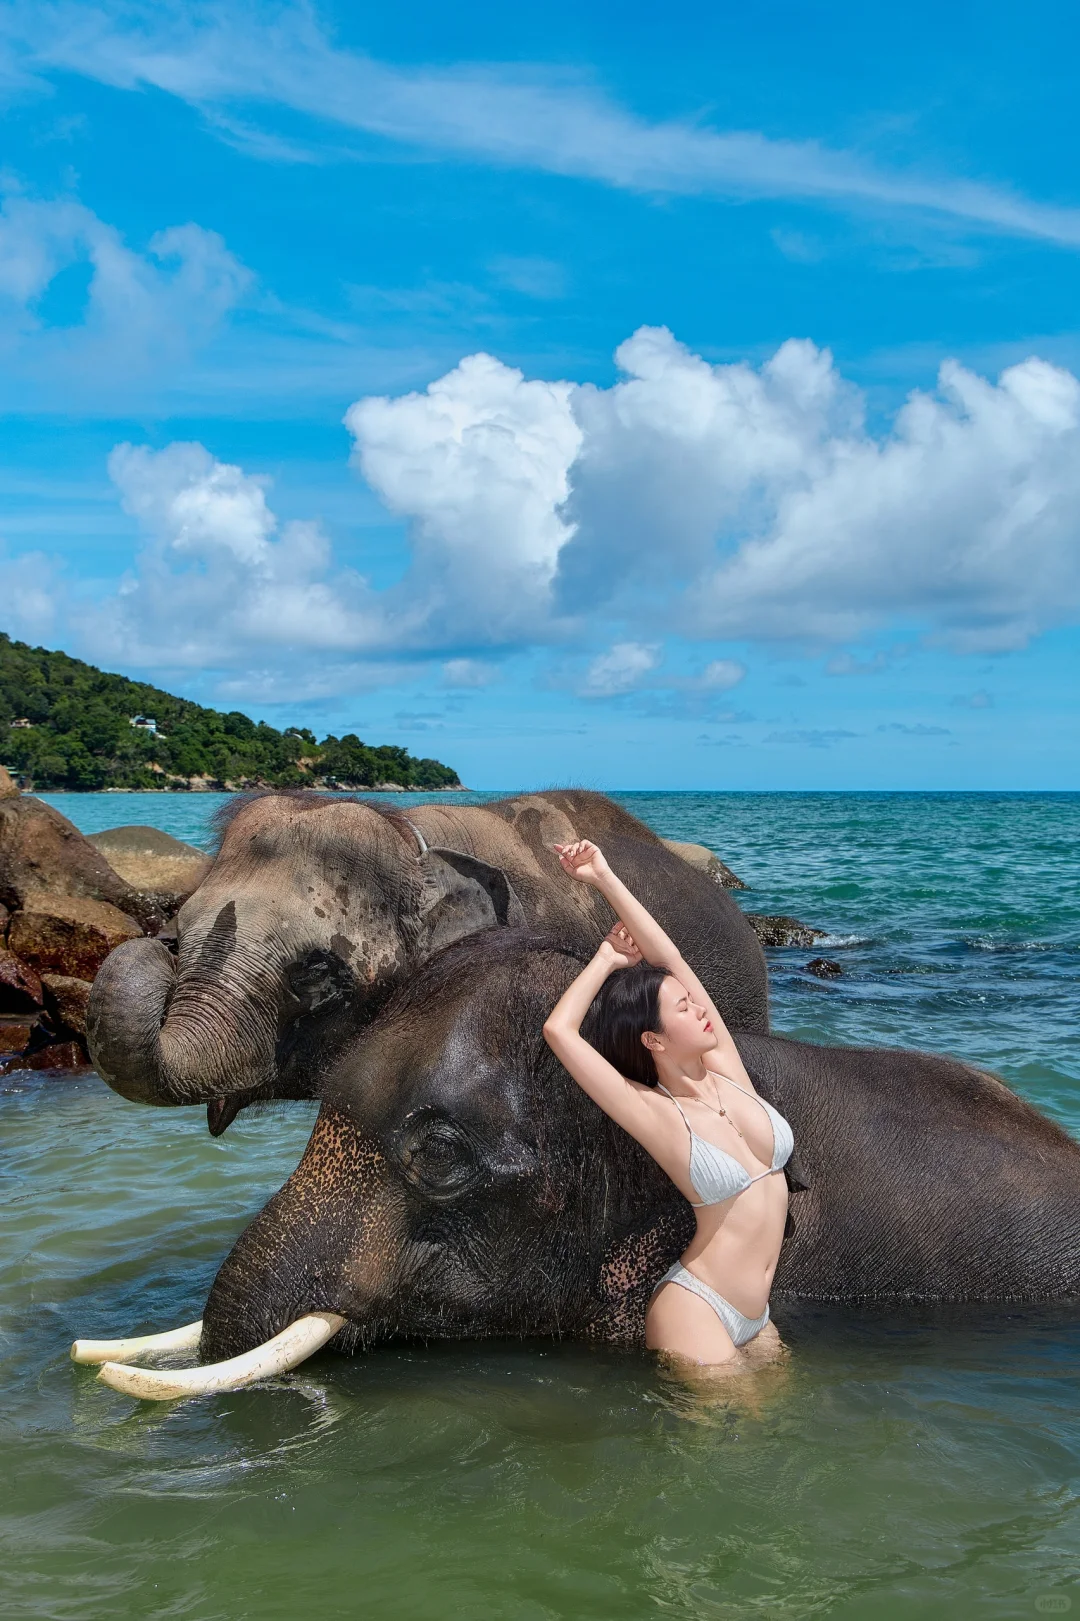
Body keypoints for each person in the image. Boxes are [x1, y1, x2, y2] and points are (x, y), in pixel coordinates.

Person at [542, 839, 793, 1371]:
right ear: (653, 1040)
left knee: (777, 1436)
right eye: (683, 1007)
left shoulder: (727, 1072)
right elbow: (560, 1031)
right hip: (697, 1309)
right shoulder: (657, 1113)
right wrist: (606, 960)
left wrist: (603, 877)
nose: (701, 1008)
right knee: (729, 1449)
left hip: (757, 1315)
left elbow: (669, 957)